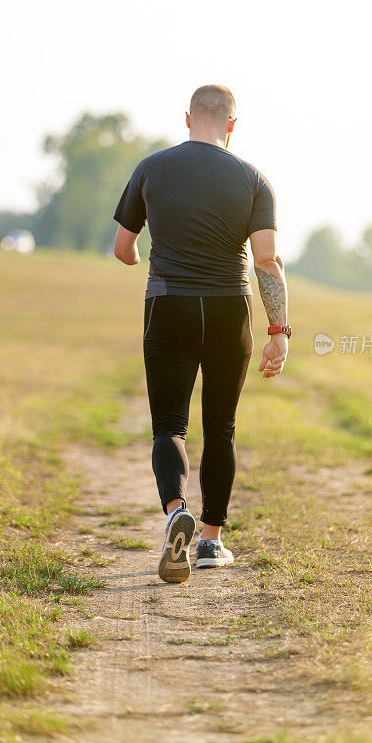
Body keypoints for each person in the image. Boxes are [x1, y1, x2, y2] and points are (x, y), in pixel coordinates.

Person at [113, 85, 290, 584]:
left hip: (168, 303)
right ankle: (211, 541)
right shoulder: (254, 179)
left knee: (169, 425)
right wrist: (280, 330)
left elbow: (124, 248)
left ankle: (175, 513)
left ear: (188, 118)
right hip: (230, 307)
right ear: (232, 124)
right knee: (222, 426)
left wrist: (150, 254)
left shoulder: (152, 167)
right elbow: (267, 262)